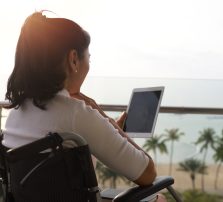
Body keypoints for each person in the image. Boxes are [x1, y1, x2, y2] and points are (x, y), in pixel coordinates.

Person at [3, 11, 166, 202]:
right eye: (88, 56)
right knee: (159, 198)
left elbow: (61, 171)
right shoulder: (76, 113)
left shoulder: (15, 114)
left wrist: (108, 128)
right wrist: (98, 112)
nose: (89, 63)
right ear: (73, 59)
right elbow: (147, 173)